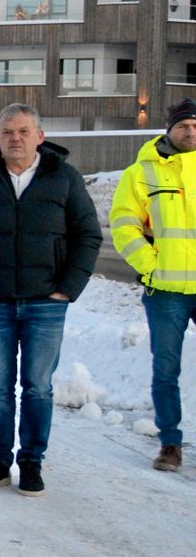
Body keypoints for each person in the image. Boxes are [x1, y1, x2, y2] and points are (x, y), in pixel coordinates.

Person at [0, 104, 101, 495]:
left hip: (46, 302)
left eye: (23, 131)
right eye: (7, 132)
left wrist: (68, 289)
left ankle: (31, 460)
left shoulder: (64, 178)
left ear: (40, 137)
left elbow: (88, 235)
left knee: (38, 387)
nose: (16, 138)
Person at [111, 97, 196, 473]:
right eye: (184, 126)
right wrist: (152, 266)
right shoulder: (141, 172)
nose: (191, 132)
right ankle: (170, 444)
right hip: (165, 292)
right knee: (166, 370)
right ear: (170, 129)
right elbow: (123, 225)